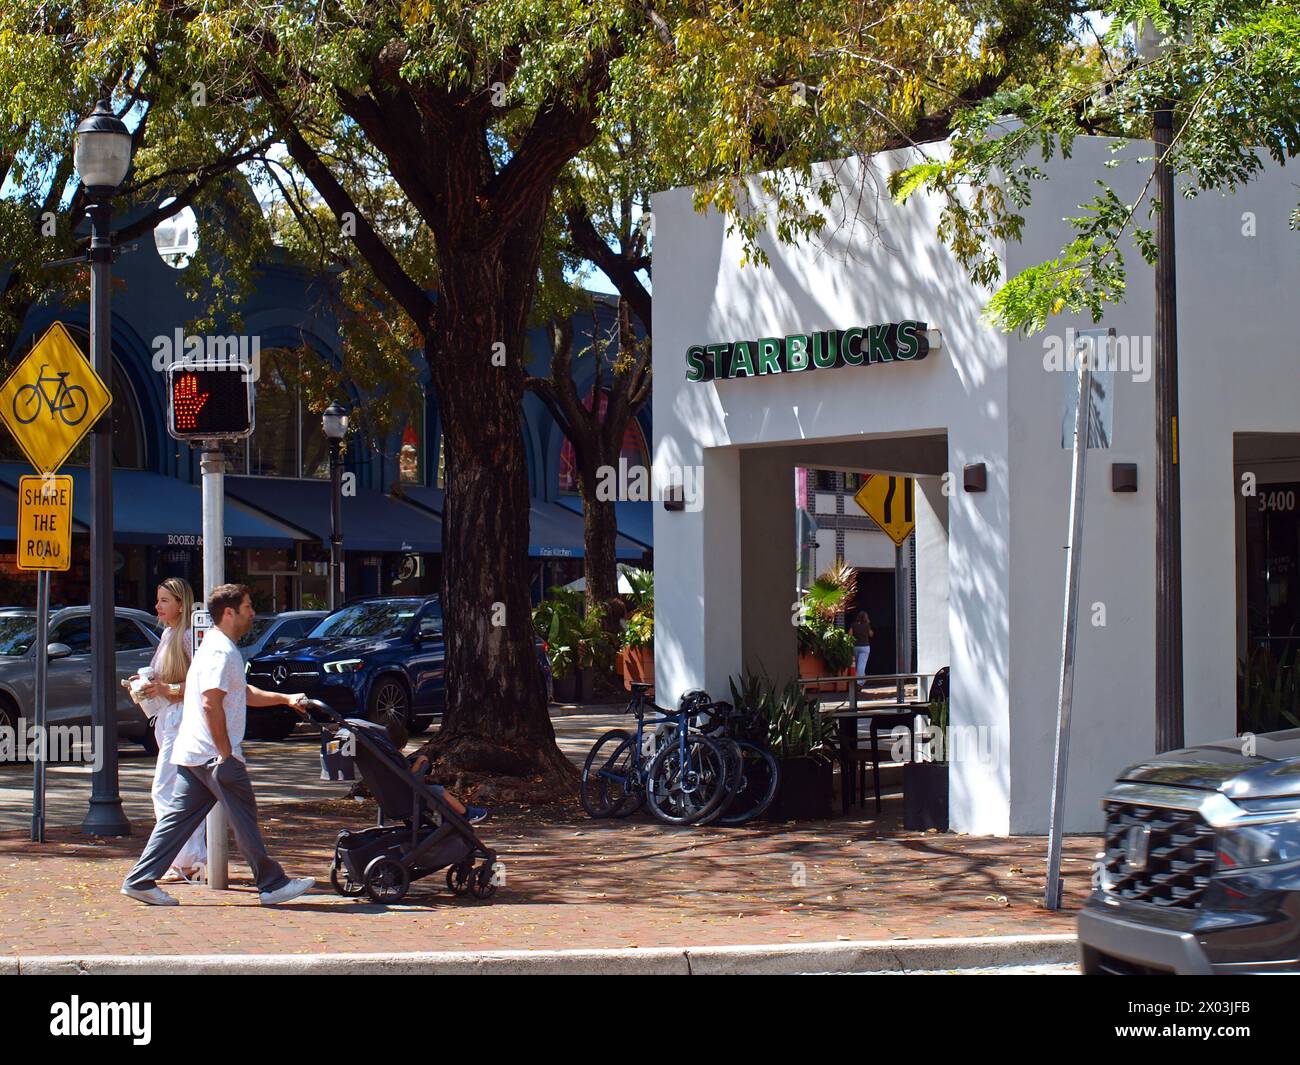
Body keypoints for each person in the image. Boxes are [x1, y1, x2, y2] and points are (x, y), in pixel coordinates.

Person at [121, 583, 316, 907]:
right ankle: (272, 884)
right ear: (229, 613)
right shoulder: (221, 651)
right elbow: (212, 702)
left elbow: (241, 692)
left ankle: (140, 879)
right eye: (248, 607)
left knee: (176, 820)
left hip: (193, 753)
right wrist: (226, 753)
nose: (253, 614)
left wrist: (284, 698)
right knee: (244, 816)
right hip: (213, 755)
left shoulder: (215, 646)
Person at [130, 578, 206, 882]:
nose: (158, 606)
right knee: (180, 790)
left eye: (164, 600)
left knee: (166, 789)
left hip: (181, 717)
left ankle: (188, 859)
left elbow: (200, 685)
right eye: (158, 599)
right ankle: (187, 859)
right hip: (166, 717)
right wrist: (142, 686)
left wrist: (165, 687)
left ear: (180, 603)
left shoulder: (187, 636)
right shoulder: (169, 634)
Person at [851, 609, 874, 690]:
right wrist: (868, 624)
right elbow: (871, 634)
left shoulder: (853, 625)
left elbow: (849, 635)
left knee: (857, 665)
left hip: (855, 647)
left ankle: (862, 680)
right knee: (862, 665)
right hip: (865, 647)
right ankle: (859, 683)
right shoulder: (867, 625)